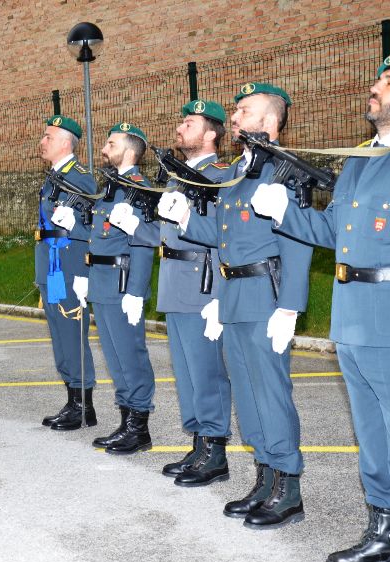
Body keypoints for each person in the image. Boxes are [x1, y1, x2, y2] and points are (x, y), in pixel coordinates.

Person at [252, 52, 390, 562]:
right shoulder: (358, 159)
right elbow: (335, 232)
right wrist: (283, 211)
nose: (376, 87)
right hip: (352, 314)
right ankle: (382, 527)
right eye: (378, 79)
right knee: (372, 435)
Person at [158, 82, 313, 529]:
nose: (236, 117)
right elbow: (223, 235)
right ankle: (265, 479)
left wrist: (290, 306)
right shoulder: (241, 171)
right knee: (247, 395)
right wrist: (185, 218)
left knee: (270, 393)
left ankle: (288, 487)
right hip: (233, 295)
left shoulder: (284, 171)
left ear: (271, 120)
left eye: (245, 110)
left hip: (265, 295)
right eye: (237, 110)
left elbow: (298, 240)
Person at [151, 100, 234, 487]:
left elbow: (225, 236)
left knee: (207, 372)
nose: (180, 127)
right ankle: (199, 443)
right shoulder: (177, 178)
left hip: (203, 284)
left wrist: (221, 295)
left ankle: (215, 451)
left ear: (211, 133)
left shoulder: (222, 176)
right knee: (186, 374)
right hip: (176, 282)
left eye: (190, 123)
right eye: (181, 121)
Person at [77, 122, 158, 454]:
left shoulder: (138, 189)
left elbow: (143, 244)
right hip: (102, 283)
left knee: (130, 357)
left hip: (122, 284)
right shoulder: (111, 187)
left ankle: (139, 428)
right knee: (114, 357)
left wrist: (137, 291)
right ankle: (126, 422)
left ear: (129, 151)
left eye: (111, 143)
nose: (104, 148)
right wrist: (86, 276)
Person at [37, 115, 98, 430]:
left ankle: (84, 406)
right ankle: (73, 401)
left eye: (48, 136)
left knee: (73, 335)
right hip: (52, 269)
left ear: (64, 142)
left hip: (70, 267)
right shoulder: (54, 177)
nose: (42, 142)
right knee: (61, 337)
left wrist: (84, 271)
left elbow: (95, 226)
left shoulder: (80, 178)